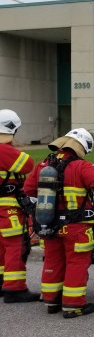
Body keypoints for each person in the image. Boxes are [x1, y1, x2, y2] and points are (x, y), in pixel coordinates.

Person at [24, 128, 94, 317]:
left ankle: (51, 300)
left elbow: (28, 189)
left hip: (49, 224)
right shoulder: (81, 166)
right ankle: (73, 305)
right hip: (76, 226)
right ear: (83, 147)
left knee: (53, 260)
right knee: (76, 263)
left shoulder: (44, 164)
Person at [0, 109, 39, 303]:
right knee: (16, 246)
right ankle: (14, 289)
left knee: (1, 247)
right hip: (7, 209)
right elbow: (28, 164)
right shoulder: (4, 150)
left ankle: (2, 282)